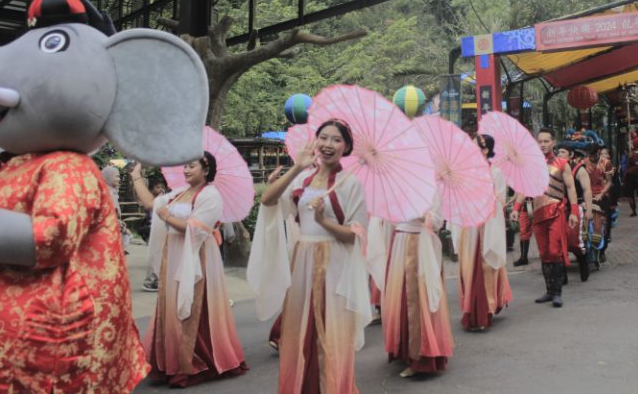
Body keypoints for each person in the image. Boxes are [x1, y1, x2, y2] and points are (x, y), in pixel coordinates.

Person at [249, 119, 370, 393]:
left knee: (331, 331)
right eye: (323, 138)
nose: (328, 144)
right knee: (297, 330)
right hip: (301, 260)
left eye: (336, 140)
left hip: (335, 263)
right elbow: (267, 200)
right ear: (315, 142)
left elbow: (354, 234)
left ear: (346, 146)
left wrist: (323, 220)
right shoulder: (302, 179)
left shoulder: (351, 184)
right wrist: (296, 168)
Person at [131, 153, 248, 386]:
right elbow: (151, 205)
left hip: (198, 256)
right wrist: (136, 177)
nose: (185, 170)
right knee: (173, 306)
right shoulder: (179, 193)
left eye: (191, 166)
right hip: (174, 254)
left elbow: (195, 228)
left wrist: (166, 216)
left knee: (194, 305)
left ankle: (195, 359)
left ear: (205, 170)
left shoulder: (211, 195)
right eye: (185, 165)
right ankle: (172, 360)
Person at [378, 209, 454, 378]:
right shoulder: (400, 185)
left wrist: (421, 214)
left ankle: (421, 356)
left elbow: (437, 221)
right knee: (400, 300)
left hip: (419, 245)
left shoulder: (430, 186)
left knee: (418, 301)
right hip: (399, 242)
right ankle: (404, 351)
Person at [511, 128, 578, 308]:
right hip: (538, 213)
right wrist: (516, 208)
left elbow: (571, 188)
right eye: (540, 141)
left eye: (546, 141)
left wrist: (574, 212)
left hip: (556, 212)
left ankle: (557, 292)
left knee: (555, 251)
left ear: (553, 143)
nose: (542, 144)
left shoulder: (563, 163)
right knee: (544, 252)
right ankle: (549, 291)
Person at [458, 134, 512, 329]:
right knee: (467, 269)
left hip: (486, 227)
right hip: (469, 227)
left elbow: (500, 200)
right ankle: (470, 311)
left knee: (484, 268)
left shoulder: (495, 172)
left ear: (486, 150)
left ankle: (484, 313)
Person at [556, 144, 593, 282]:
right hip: (559, 209)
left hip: (575, 208)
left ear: (571, 155)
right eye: (558, 152)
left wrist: (589, 210)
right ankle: (562, 276)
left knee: (573, 241)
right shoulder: (554, 168)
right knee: (559, 243)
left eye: (563, 152)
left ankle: (584, 262)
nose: (559, 154)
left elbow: (587, 190)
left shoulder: (579, 169)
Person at [140, 180, 168, 291]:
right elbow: (149, 208)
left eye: (162, 187)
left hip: (163, 229)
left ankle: (157, 279)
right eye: (157, 187)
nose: (160, 189)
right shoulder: (155, 200)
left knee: (159, 254)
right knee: (155, 254)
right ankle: (156, 279)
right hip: (154, 228)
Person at [102, 165, 131, 254]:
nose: (119, 179)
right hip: (109, 231)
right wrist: (121, 227)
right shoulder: (109, 194)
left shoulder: (110, 192)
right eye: (117, 176)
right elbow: (111, 214)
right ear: (109, 177)